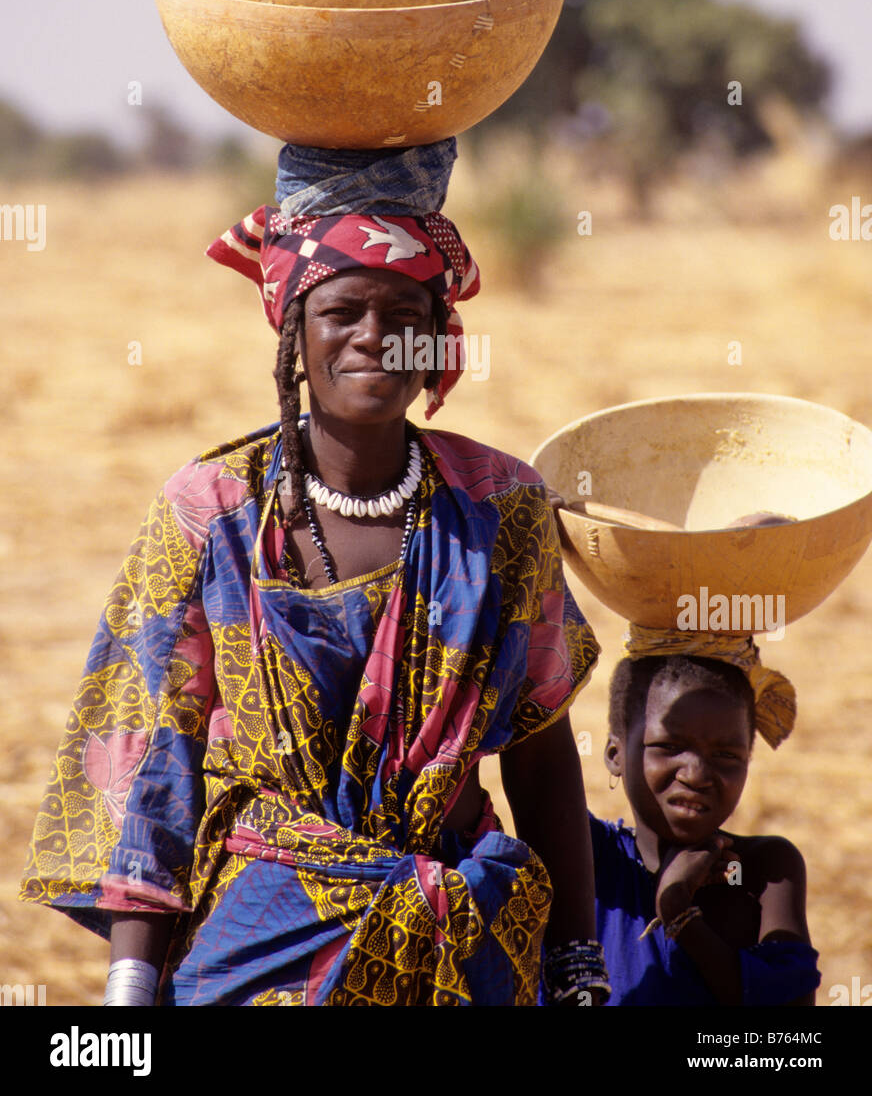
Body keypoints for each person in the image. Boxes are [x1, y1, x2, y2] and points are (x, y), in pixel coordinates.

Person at [20, 146, 605, 1007]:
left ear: (438, 336)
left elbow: (539, 745)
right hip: (259, 946)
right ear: (294, 331)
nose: (373, 337)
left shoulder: (500, 508)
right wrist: (130, 990)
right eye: (342, 312)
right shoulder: (213, 511)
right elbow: (151, 758)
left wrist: (577, 968)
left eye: (403, 313)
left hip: (453, 940)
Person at [590, 631, 820, 1006]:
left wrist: (678, 912)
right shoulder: (591, 859)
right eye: (669, 747)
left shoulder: (762, 872)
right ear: (616, 753)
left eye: (727, 755)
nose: (696, 774)